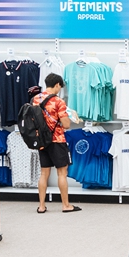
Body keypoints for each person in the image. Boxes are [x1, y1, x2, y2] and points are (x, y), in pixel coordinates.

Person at [34, 74, 80, 214]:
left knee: (44, 173)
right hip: (57, 140)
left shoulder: (36, 99)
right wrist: (70, 117)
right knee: (62, 173)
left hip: (42, 140)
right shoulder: (59, 101)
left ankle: (41, 206)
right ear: (57, 85)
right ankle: (65, 205)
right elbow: (66, 124)